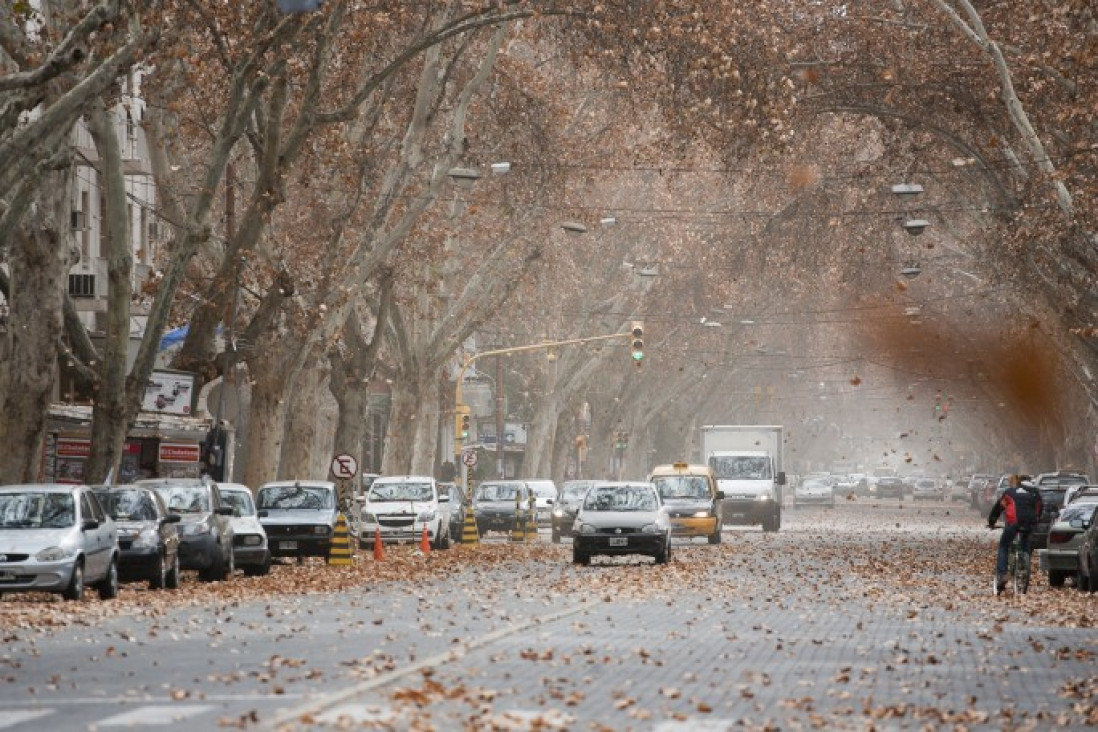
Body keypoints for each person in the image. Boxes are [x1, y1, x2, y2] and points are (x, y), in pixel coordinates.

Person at [987, 474, 1042, 595]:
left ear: (1018, 483)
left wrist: (992, 521)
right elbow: (1039, 509)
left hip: (1013, 523)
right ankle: (1024, 564)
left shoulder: (1010, 493)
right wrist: (1036, 521)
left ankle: (1002, 575)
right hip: (1029, 523)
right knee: (1025, 542)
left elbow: (999, 507)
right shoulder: (1035, 494)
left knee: (1004, 546)